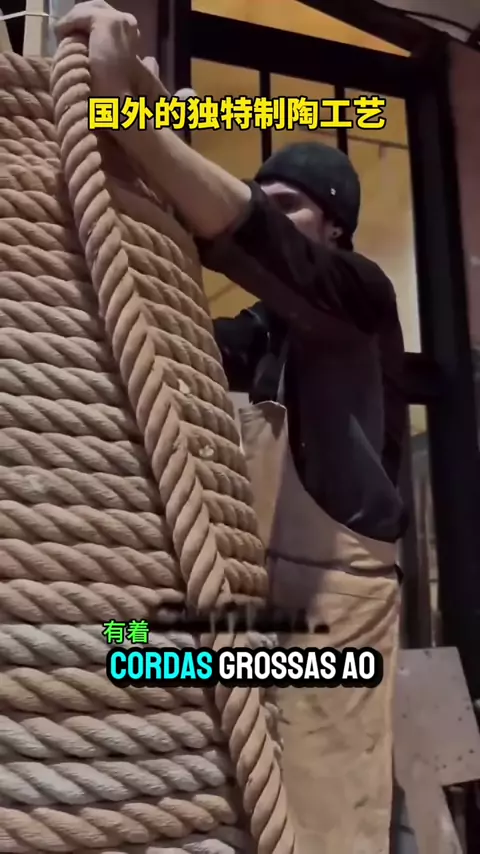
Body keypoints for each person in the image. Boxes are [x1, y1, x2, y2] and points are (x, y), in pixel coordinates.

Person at [57, 5, 407, 853]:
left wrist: (133, 122)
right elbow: (172, 342)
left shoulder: (357, 298)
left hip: (331, 628)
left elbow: (254, 239)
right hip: (254, 611)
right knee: (127, 666)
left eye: (292, 207)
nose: (275, 218)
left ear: (335, 228)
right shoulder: (264, 334)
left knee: (320, 821)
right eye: (270, 201)